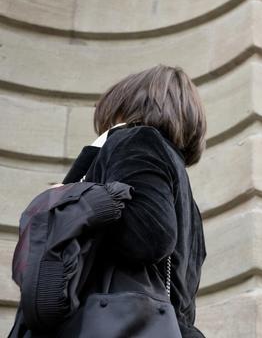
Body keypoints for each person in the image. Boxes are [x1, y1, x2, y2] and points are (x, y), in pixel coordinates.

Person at [11, 65, 207, 337]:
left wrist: (74, 193)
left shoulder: (137, 139)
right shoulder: (188, 203)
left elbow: (148, 238)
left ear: (126, 105)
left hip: (111, 322)